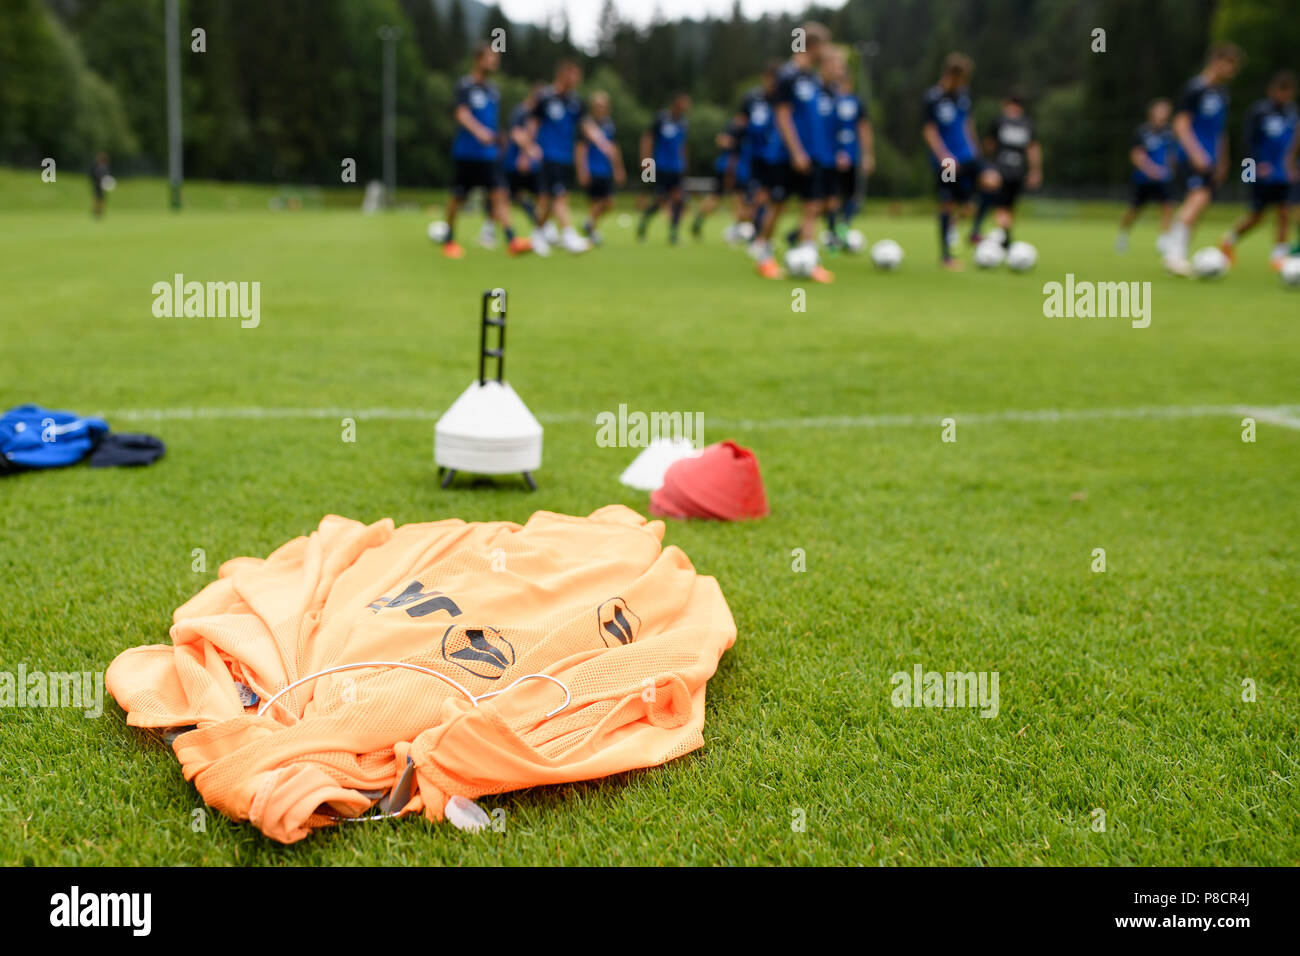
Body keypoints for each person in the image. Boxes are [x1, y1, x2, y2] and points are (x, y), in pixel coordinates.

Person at [756, 21, 834, 282]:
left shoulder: (813, 78)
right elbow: (783, 116)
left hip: (814, 155)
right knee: (778, 206)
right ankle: (764, 257)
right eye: (824, 45)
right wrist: (796, 151)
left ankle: (810, 262)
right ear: (813, 45)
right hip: (786, 155)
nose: (826, 50)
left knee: (811, 208)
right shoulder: (787, 76)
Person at [1162, 42, 1244, 275]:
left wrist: (1223, 160)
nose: (1232, 71)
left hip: (1211, 160)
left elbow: (1220, 131)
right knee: (1196, 201)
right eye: (1231, 65)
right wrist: (1196, 153)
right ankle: (1173, 256)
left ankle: (1178, 253)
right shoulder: (1195, 88)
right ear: (1217, 61)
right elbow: (1181, 123)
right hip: (1193, 158)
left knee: (1199, 205)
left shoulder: (1222, 94)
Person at [442, 44, 529, 259]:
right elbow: (461, 114)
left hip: (489, 155)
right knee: (458, 198)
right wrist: (479, 132)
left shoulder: (493, 90)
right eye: (491, 57)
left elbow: (491, 120)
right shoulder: (465, 86)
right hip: (467, 154)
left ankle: (512, 239)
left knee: (500, 194)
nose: (495, 61)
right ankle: (449, 240)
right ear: (478, 59)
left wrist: (499, 139)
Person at [923, 52, 1001, 270]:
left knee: (992, 181)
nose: (963, 82)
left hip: (968, 156)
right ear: (951, 74)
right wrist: (943, 155)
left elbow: (967, 124)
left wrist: (976, 150)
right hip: (947, 161)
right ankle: (946, 257)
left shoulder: (963, 95)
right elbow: (929, 130)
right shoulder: (933, 97)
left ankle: (974, 230)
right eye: (961, 77)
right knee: (947, 203)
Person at [530, 59, 616, 254]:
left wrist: (602, 143)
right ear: (563, 74)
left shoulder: (575, 102)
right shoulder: (545, 98)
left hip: (564, 156)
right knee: (558, 196)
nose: (576, 79)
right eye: (573, 75)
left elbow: (587, 125)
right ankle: (569, 235)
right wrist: (529, 148)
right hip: (546, 154)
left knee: (551, 199)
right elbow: (533, 124)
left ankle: (537, 235)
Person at [1219, 70, 1298, 268]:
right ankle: (1229, 239)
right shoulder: (1259, 111)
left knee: (1283, 211)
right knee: (1256, 215)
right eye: (1281, 91)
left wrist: (1292, 165)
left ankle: (1279, 255)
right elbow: (1247, 142)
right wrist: (1252, 169)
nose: (1284, 96)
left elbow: (1294, 144)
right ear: (1272, 90)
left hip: (1283, 173)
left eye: (1288, 92)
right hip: (1260, 171)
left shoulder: (1292, 113)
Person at [970, 89, 1041, 248]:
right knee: (1008, 207)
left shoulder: (1000, 121)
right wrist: (1035, 171)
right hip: (1018, 172)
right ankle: (1000, 237)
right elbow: (1032, 149)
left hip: (1000, 171)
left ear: (1007, 104)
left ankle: (1002, 239)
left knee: (998, 206)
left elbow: (989, 145)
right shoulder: (1027, 124)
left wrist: (985, 163)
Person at [823, 46, 874, 250]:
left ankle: (841, 230)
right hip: (832, 156)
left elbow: (864, 129)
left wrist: (868, 155)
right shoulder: (829, 98)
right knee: (829, 198)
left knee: (853, 198)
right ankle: (833, 234)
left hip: (853, 156)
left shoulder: (856, 102)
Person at [1116, 98, 1176, 253]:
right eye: (1160, 110)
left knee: (1168, 206)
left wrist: (1169, 169)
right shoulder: (1142, 132)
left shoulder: (1169, 133)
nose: (1163, 114)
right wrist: (1151, 170)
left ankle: (1163, 239)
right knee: (1134, 209)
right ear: (1152, 112)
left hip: (1163, 178)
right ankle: (1123, 235)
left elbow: (1171, 155)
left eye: (1166, 111)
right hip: (1143, 179)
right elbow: (1136, 155)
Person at [637, 93, 692, 244]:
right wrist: (646, 161)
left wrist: (685, 163)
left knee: (679, 199)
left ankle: (673, 233)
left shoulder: (683, 122)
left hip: (677, 167)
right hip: (661, 166)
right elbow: (647, 139)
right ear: (676, 104)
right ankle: (644, 222)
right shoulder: (661, 118)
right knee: (661, 200)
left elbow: (683, 145)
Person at [576, 91, 626, 246]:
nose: (600, 108)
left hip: (606, 169)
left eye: (603, 105)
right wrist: (582, 170)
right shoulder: (587, 125)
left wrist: (618, 168)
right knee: (595, 202)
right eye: (598, 105)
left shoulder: (609, 125)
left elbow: (614, 148)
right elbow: (581, 149)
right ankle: (592, 231)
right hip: (593, 169)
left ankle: (589, 223)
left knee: (609, 203)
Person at [503, 84, 546, 253]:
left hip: (532, 163)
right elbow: (517, 134)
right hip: (514, 163)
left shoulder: (537, 116)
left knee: (542, 196)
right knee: (504, 197)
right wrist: (526, 154)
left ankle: (541, 232)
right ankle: (499, 233)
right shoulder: (521, 112)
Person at [90, 152, 111, 219]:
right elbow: (97, 176)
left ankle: (99, 211)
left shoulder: (102, 167)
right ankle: (98, 211)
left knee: (100, 199)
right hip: (98, 185)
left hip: (101, 185)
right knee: (98, 198)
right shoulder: (99, 167)